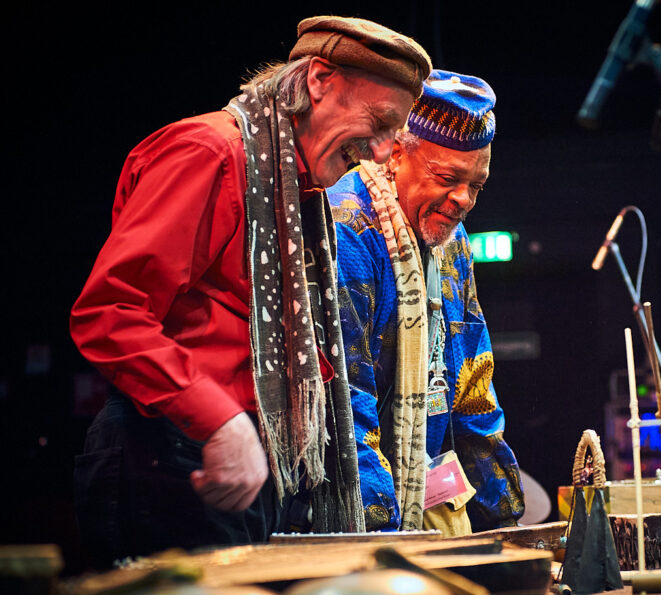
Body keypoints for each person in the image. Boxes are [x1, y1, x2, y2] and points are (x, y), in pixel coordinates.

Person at [69, 16, 431, 567]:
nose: (382, 153)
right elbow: (110, 313)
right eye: (379, 123)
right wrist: (218, 419)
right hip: (169, 460)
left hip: (232, 463)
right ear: (319, 80)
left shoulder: (298, 188)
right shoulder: (208, 152)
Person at [328, 70, 524, 533]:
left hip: (427, 498)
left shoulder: (453, 243)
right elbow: (346, 406)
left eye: (477, 185)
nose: (463, 200)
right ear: (395, 152)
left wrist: (508, 521)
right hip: (357, 515)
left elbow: (472, 389)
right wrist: (387, 538)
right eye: (448, 178)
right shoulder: (346, 230)